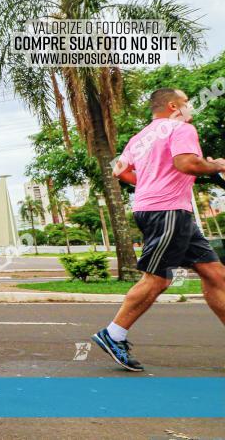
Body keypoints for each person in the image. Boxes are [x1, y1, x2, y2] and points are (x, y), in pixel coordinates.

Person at [94, 88, 225, 371]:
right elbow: (187, 163)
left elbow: (122, 172)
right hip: (167, 212)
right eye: (187, 102)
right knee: (158, 278)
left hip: (166, 210)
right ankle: (113, 333)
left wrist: (153, 184)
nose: (190, 107)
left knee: (215, 274)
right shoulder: (180, 128)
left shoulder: (140, 138)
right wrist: (216, 165)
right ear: (173, 105)